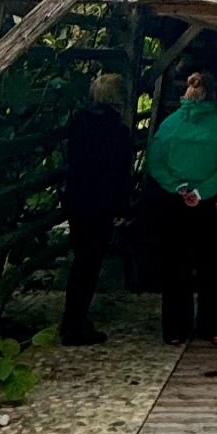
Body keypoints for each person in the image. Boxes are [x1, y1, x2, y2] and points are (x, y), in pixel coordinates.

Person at [145, 70, 217, 345]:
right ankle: (214, 327)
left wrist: (179, 187)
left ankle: (175, 329)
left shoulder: (169, 125)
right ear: (213, 95)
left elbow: (156, 163)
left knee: (175, 266)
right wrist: (202, 191)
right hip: (210, 202)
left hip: (174, 200)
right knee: (212, 264)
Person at [61, 72, 134, 347]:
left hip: (77, 199)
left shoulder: (79, 122)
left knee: (81, 259)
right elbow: (120, 173)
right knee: (89, 264)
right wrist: (123, 208)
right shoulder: (118, 131)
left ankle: (74, 318)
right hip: (101, 203)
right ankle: (75, 324)